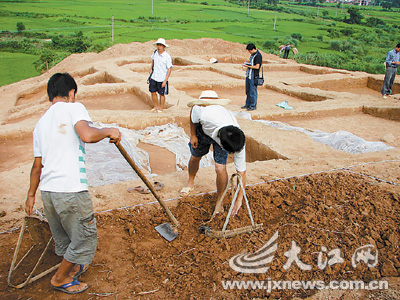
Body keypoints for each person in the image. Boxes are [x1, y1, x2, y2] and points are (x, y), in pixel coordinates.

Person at [25, 73, 121, 294]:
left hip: (48, 192)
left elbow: (37, 165)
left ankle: (72, 265)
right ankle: (61, 278)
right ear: (71, 93)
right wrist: (109, 130)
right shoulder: (73, 107)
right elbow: (86, 135)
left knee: (65, 235)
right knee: (85, 237)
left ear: (50, 94)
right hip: (69, 188)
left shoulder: (40, 124)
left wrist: (31, 195)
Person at [180, 105, 246, 217]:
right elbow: (193, 110)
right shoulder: (206, 116)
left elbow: (242, 172)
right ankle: (190, 182)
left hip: (224, 136)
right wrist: (193, 135)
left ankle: (219, 201)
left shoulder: (237, 140)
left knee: (220, 168)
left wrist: (239, 199)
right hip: (204, 131)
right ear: (219, 138)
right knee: (195, 157)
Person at [149, 38, 173, 112]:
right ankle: (156, 106)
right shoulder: (155, 53)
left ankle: (161, 108)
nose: (159, 47)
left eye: (160, 45)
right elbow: (153, 60)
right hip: (154, 76)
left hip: (162, 78)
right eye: (158, 45)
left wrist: (165, 80)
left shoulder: (167, 56)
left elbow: (169, 68)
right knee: (153, 92)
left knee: (161, 94)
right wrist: (151, 68)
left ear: (164, 47)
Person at [241, 43, 262, 111]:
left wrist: (248, 66)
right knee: (248, 91)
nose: (249, 52)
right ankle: (248, 104)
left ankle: (253, 105)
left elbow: (257, 66)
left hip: (253, 76)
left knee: (252, 91)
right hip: (249, 75)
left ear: (253, 49)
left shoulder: (258, 56)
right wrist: (248, 63)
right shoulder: (252, 55)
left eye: (250, 51)